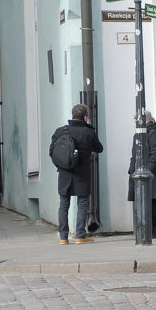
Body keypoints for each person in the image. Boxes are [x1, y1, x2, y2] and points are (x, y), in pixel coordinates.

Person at [50, 104, 104, 244]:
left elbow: (52, 153)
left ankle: (63, 237)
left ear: (73, 115)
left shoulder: (61, 131)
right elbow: (99, 148)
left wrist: (62, 166)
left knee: (64, 204)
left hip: (64, 173)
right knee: (82, 203)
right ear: (86, 117)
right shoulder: (88, 132)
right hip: (81, 172)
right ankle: (80, 235)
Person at [128, 112, 156, 238]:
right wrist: (131, 171)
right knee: (144, 201)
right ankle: (146, 229)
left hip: (151, 174)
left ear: (145, 120)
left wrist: (146, 172)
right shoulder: (138, 135)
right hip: (139, 173)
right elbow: (134, 155)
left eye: (137, 119)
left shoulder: (154, 134)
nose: (135, 122)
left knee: (153, 201)